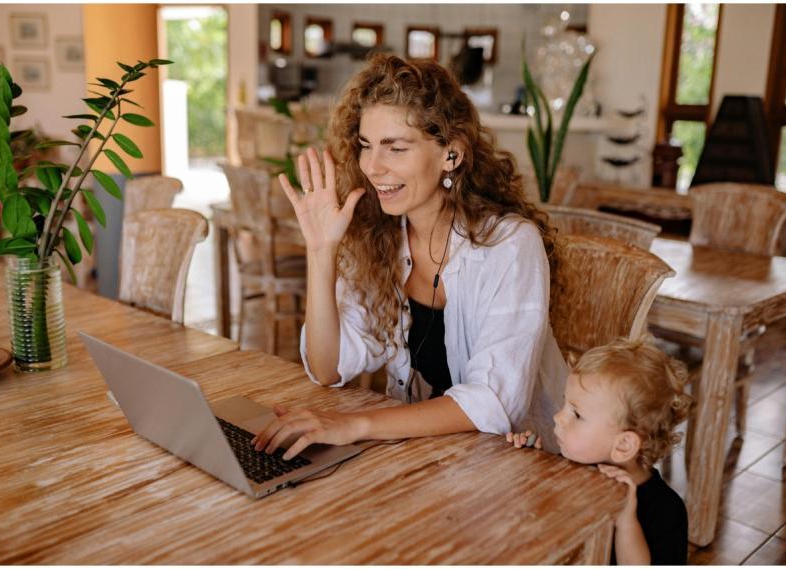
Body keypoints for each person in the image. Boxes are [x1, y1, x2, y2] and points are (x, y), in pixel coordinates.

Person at [253, 53, 567, 461]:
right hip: (438, 456)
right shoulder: (382, 235)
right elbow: (328, 367)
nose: (372, 166)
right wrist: (321, 250)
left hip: (534, 462)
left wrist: (357, 425)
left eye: (395, 148)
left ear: (451, 155)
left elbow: (493, 402)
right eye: (366, 146)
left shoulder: (509, 246)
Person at [507, 337, 692, 565]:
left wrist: (626, 520)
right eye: (565, 404)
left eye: (577, 414)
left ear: (623, 445)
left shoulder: (666, 513)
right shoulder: (573, 464)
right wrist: (531, 460)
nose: (558, 417)